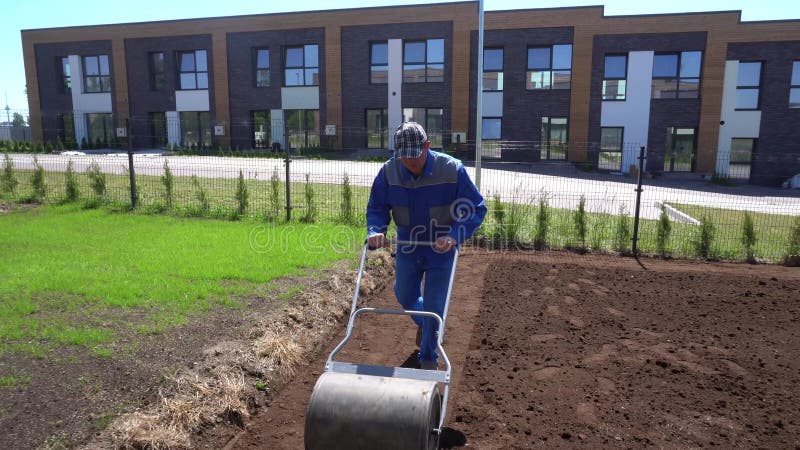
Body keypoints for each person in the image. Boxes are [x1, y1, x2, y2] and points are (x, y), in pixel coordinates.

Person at [366, 121, 486, 370]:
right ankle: (426, 324)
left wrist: (455, 235)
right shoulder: (389, 172)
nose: (410, 162)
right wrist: (376, 230)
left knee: (434, 304)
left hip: (441, 245)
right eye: (404, 158)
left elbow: (476, 207)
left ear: (427, 146)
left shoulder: (452, 170)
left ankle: (429, 358)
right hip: (409, 242)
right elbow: (378, 206)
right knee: (404, 294)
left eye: (414, 156)